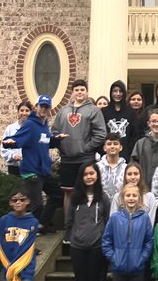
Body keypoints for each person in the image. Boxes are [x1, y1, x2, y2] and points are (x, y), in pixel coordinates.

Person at [1, 95, 65, 233]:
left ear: (49, 109)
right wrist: (9, 142)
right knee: (37, 204)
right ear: (36, 107)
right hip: (31, 171)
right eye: (41, 106)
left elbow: (46, 142)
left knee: (57, 196)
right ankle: (30, 234)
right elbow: (18, 138)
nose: (43, 109)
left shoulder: (44, 125)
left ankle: (41, 225)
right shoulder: (30, 124)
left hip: (44, 170)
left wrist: (56, 140)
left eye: (46, 107)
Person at [66, 165, 111, 281]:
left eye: (92, 173)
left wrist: (102, 238)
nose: (89, 177)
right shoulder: (75, 198)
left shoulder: (103, 198)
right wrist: (73, 237)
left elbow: (107, 220)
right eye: (85, 174)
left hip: (96, 246)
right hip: (77, 246)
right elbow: (69, 220)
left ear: (97, 176)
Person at [51, 80, 108, 215]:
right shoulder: (63, 111)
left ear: (87, 92)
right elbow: (54, 132)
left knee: (88, 192)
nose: (79, 92)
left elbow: (101, 134)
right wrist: (62, 145)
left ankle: (88, 223)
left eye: (82, 89)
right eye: (77, 90)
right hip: (67, 160)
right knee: (68, 193)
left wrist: (85, 148)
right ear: (72, 93)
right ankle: (68, 227)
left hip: (86, 159)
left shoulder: (93, 110)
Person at [130, 109, 158, 190]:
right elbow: (133, 166)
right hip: (143, 189)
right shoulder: (140, 144)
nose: (156, 124)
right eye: (153, 121)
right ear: (149, 123)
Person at [102, 80, 138, 160]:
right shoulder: (104, 112)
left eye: (120, 91)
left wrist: (129, 152)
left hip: (126, 155)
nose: (118, 94)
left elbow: (134, 136)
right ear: (111, 93)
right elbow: (101, 133)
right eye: (115, 91)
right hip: (107, 155)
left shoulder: (131, 113)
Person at [0, 100, 32, 177]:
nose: (24, 113)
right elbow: (3, 149)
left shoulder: (34, 129)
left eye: (27, 111)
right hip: (14, 168)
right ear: (18, 112)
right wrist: (13, 155)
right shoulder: (10, 129)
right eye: (21, 110)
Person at [97, 133, 127, 206]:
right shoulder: (97, 167)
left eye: (115, 144)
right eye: (109, 144)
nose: (112, 146)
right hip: (101, 206)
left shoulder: (126, 168)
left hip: (121, 206)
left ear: (120, 147)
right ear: (104, 148)